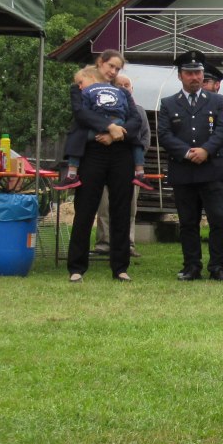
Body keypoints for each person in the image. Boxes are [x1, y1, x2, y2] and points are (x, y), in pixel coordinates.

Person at [65, 50, 144, 283]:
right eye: (110, 66)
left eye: (117, 69)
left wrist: (116, 135)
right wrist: (109, 127)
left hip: (120, 152)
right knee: (85, 208)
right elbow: (81, 114)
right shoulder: (81, 86)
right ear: (100, 63)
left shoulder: (121, 91)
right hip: (91, 153)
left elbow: (135, 118)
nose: (113, 72)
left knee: (120, 209)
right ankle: (77, 267)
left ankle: (120, 267)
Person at [157, 50, 223, 281]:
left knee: (218, 219)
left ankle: (218, 265)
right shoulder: (169, 103)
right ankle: (191, 265)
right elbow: (164, 134)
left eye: (198, 73)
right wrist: (187, 152)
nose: (195, 77)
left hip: (211, 170)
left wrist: (206, 150)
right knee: (188, 222)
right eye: (189, 73)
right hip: (184, 170)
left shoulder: (217, 100)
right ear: (180, 76)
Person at [94, 73, 152, 258]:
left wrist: (135, 157)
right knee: (104, 206)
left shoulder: (139, 111)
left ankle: (128, 244)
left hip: (131, 166)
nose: (125, 88)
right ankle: (104, 243)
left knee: (129, 208)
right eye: (120, 85)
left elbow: (145, 138)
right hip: (105, 165)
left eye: (128, 85)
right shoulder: (102, 111)